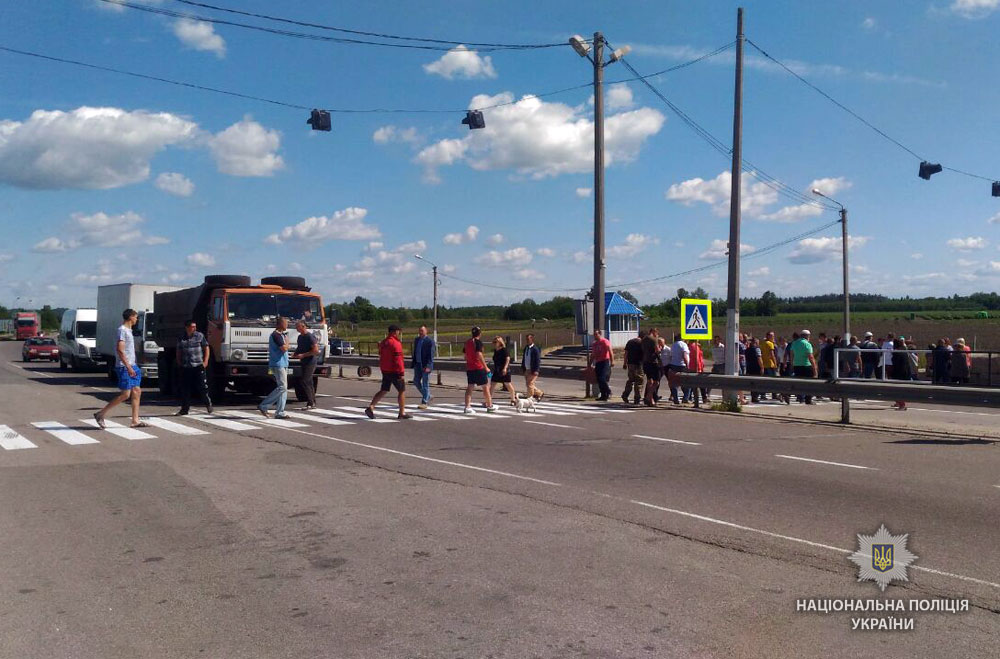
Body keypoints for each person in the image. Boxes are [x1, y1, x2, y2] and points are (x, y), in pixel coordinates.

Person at [94, 308, 146, 429]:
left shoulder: (129, 330)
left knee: (137, 391)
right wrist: (128, 367)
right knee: (125, 394)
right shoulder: (122, 330)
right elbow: (120, 350)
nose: (137, 319)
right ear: (130, 317)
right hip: (124, 366)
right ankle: (100, 414)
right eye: (136, 317)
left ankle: (135, 420)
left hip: (133, 365)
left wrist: (132, 366)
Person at [365, 325, 411, 419]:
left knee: (384, 389)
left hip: (385, 370)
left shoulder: (383, 342)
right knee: (401, 391)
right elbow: (398, 359)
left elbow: (380, 355)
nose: (399, 333)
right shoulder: (395, 343)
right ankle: (401, 412)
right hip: (395, 370)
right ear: (394, 332)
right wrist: (401, 373)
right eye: (398, 331)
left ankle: (371, 407)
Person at [174, 319, 212, 416]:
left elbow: (206, 347)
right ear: (187, 328)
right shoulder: (181, 337)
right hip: (186, 366)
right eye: (192, 327)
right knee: (185, 389)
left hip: (198, 365)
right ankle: (184, 409)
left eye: (195, 327)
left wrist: (205, 361)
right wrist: (178, 362)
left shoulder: (199, 336)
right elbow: (178, 350)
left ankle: (208, 403)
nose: (194, 328)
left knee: (202, 386)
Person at [259, 317, 291, 419]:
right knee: (282, 387)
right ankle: (264, 405)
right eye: (286, 323)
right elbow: (284, 348)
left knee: (283, 389)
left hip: (282, 363)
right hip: (278, 364)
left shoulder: (280, 335)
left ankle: (280, 412)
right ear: (281, 324)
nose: (287, 325)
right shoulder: (276, 335)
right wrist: (287, 342)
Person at [464, 326, 497, 414]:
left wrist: (469, 361)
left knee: (470, 387)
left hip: (470, 368)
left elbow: (465, 355)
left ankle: (467, 407)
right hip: (478, 368)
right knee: (485, 387)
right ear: (480, 334)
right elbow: (479, 354)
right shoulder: (478, 342)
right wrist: (486, 367)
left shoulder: (467, 342)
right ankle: (489, 405)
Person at [291, 320, 320, 410]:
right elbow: (300, 348)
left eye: (298, 327)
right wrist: (295, 354)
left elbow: (315, 350)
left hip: (310, 361)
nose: (296, 328)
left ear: (303, 327)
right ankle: (312, 401)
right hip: (303, 361)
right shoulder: (300, 337)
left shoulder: (310, 337)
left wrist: (303, 355)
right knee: (309, 381)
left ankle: (310, 402)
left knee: (305, 380)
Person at [789, 329, 817, 404]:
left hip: (797, 365)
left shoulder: (794, 343)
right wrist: (815, 368)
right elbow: (811, 357)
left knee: (799, 383)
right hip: (806, 365)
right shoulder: (807, 344)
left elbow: (791, 355)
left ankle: (800, 397)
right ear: (807, 336)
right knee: (809, 384)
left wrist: (792, 364)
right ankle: (808, 399)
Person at [411, 325, 435, 408]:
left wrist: (429, 365)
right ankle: (428, 396)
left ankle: (424, 401)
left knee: (425, 383)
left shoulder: (430, 341)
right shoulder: (417, 340)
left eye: (422, 330)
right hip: (417, 364)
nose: (420, 332)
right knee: (416, 381)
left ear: (426, 331)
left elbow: (431, 355)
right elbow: (415, 352)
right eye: (419, 330)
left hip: (425, 365)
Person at [491, 336, 517, 405]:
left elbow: (507, 359)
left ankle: (513, 399)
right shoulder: (496, 351)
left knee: (507, 384)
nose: (494, 343)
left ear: (500, 342)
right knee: (492, 384)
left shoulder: (504, 350)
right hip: (497, 370)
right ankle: (489, 400)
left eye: (495, 342)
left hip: (504, 369)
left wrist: (505, 368)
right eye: (493, 342)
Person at [621, 331, 645, 405]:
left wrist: (625, 363)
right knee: (639, 381)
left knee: (631, 380)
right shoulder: (642, 343)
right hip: (639, 364)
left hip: (630, 364)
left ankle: (625, 394)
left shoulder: (630, 342)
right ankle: (637, 398)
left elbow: (626, 353)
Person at [665, 333, 689, 405]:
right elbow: (684, 355)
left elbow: (671, 356)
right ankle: (685, 398)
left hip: (673, 364)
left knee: (674, 382)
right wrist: (687, 365)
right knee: (687, 382)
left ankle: (675, 398)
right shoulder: (683, 344)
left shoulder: (673, 345)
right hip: (682, 365)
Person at [590, 329, 613, 401]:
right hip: (598, 362)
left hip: (605, 361)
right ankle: (603, 395)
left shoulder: (604, 341)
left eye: (596, 334)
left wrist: (612, 361)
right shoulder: (594, 343)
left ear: (600, 334)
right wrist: (589, 363)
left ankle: (608, 391)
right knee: (598, 379)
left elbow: (610, 351)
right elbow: (593, 354)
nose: (595, 336)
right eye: (594, 334)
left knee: (602, 378)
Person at [891, 337, 913, 410]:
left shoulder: (897, 353)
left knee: (898, 389)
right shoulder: (904, 351)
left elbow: (895, 363)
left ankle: (902, 405)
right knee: (900, 389)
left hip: (900, 373)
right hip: (906, 372)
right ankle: (900, 403)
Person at [641, 327, 660, 406]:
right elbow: (657, 350)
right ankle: (649, 396)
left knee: (649, 381)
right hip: (653, 362)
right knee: (656, 382)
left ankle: (651, 399)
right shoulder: (653, 339)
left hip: (645, 361)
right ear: (654, 332)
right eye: (657, 333)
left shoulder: (643, 339)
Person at [522, 333, 544, 400]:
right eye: (526, 339)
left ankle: (530, 398)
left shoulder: (535, 349)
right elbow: (524, 358)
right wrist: (523, 367)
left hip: (533, 369)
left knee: (530, 384)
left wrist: (536, 370)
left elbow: (537, 360)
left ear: (532, 339)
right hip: (527, 368)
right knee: (529, 384)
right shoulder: (526, 348)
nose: (527, 340)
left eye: (528, 339)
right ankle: (539, 393)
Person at [761, 331, 779, 399]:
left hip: (764, 364)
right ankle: (774, 394)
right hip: (770, 364)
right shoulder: (770, 344)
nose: (773, 337)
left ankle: (763, 394)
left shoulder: (762, 343)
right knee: (774, 381)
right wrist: (775, 364)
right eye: (772, 336)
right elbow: (772, 355)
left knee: (765, 381)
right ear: (768, 336)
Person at [745, 336, 763, 402]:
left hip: (749, 368)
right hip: (756, 367)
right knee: (757, 382)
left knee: (752, 383)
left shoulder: (747, 350)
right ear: (755, 342)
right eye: (758, 342)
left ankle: (753, 396)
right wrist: (762, 367)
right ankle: (756, 396)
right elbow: (759, 358)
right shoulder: (757, 349)